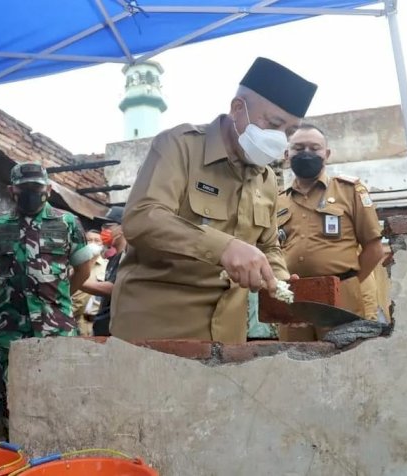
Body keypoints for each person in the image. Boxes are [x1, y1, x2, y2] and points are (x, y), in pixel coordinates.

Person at [110, 57, 316, 344]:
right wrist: (223, 247)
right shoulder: (180, 146)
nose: (279, 138)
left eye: (289, 132)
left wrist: (278, 279)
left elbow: (268, 245)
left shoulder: (266, 178)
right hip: (159, 329)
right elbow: (142, 218)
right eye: (273, 123)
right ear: (237, 108)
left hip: (228, 336)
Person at [0, 162, 92, 436]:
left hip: (57, 331)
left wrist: (57, 300)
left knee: (62, 402)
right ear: (12, 190)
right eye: (24, 188)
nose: (31, 193)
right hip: (10, 332)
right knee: (10, 404)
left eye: (36, 188)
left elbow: (83, 271)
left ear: (48, 189)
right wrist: (7, 298)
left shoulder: (68, 223)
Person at [276, 124, 384, 341]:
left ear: (327, 154)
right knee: (295, 363)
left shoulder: (349, 190)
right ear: (287, 155)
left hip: (341, 296)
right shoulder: (277, 200)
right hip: (294, 299)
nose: (306, 153)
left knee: (345, 364)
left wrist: (348, 284)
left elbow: (374, 249)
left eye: (314, 148)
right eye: (299, 148)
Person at [83, 207, 127, 337]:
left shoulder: (128, 257)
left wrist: (76, 279)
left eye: (109, 226)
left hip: (116, 330)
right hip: (102, 327)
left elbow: (114, 289)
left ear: (123, 228)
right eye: (103, 226)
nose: (104, 230)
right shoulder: (112, 258)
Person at [71, 229, 107, 336]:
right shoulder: (73, 266)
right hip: (75, 321)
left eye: (97, 240)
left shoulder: (107, 267)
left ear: (102, 244)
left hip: (96, 323)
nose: (93, 243)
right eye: (89, 240)